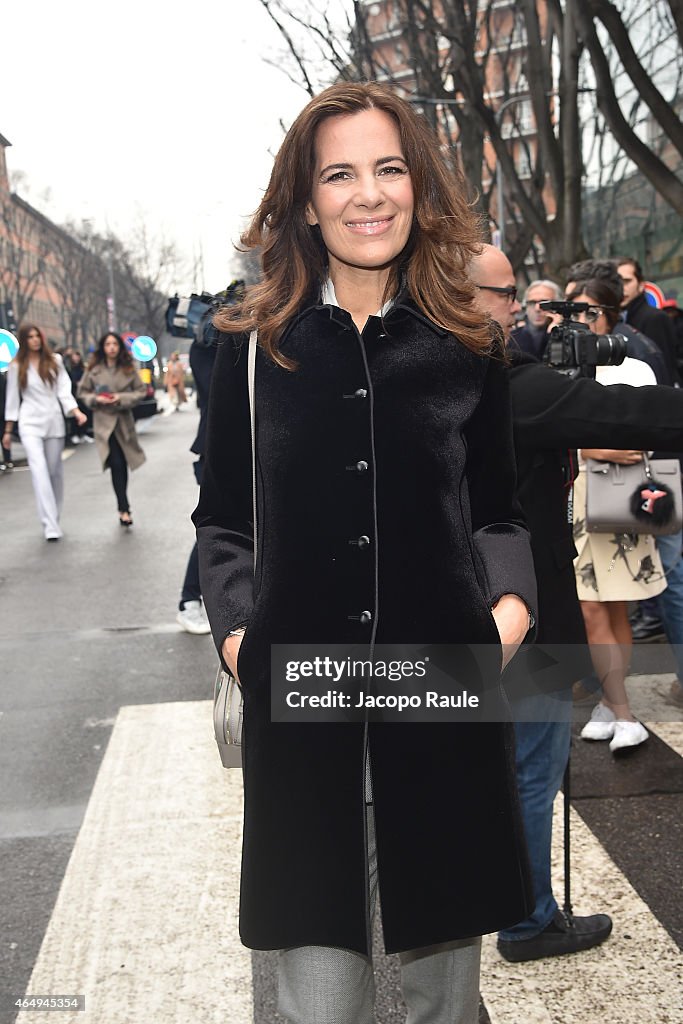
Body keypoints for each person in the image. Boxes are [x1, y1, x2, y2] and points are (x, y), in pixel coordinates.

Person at [194, 83, 538, 1024]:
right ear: (305, 201)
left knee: (444, 1003)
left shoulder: (469, 343)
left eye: (387, 168)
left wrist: (503, 618)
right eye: (338, 173)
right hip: (303, 722)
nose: (367, 193)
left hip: (440, 707)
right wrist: (238, 641)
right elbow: (222, 521)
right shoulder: (253, 348)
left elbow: (500, 513)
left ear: (416, 187)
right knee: (322, 1007)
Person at [471, 243, 683, 961]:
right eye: (506, 296)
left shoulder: (419, 374)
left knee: (490, 769)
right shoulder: (500, 383)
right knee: (531, 770)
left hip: (460, 612)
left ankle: (487, 898)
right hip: (522, 613)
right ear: (471, 297)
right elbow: (629, 416)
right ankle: (528, 920)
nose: (515, 311)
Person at [567, 278, 665, 752]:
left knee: (614, 605)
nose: (573, 321)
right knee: (591, 607)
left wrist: (584, 445)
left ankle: (619, 708)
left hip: (618, 494)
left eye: (583, 310)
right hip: (575, 496)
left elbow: (633, 445)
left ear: (605, 314)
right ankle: (616, 704)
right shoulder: (562, 369)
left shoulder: (635, 369)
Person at [3, 324, 87, 540]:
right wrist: (7, 431)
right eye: (30, 337)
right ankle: (49, 524)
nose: (35, 340)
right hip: (29, 423)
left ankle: (54, 516)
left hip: (53, 421)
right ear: (24, 340)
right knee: (39, 471)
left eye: (37, 336)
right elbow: (12, 400)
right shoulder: (16, 366)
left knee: (54, 472)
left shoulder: (55, 361)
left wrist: (75, 412)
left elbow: (63, 390)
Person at [77, 332, 146, 526]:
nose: (112, 348)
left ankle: (123, 506)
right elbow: (82, 392)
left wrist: (121, 398)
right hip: (104, 423)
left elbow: (140, 391)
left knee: (122, 464)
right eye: (108, 344)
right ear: (103, 347)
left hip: (123, 423)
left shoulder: (128, 368)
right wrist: (95, 400)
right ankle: (124, 508)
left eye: (115, 344)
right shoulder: (94, 369)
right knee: (115, 463)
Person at [617, 257, 679, 383]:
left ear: (641, 285)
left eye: (627, 281)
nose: (621, 288)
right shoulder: (617, 319)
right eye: (617, 282)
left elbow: (665, 369)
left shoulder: (655, 318)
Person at [510, 279, 563, 359]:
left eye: (544, 303)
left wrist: (555, 334)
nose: (537, 308)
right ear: (526, 307)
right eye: (532, 303)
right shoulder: (512, 338)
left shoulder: (568, 337)